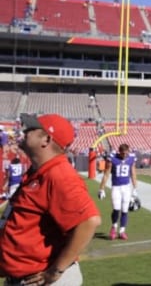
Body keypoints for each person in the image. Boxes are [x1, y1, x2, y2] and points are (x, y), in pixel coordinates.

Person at [0, 113, 101, 285]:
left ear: (46, 140)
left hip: (41, 280)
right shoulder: (39, 172)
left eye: (31, 129)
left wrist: (55, 271)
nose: (25, 131)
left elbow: (89, 221)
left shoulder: (59, 174)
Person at [98, 143, 138, 240]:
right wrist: (101, 189)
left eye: (126, 153)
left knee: (125, 210)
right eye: (122, 153)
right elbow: (106, 174)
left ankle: (122, 231)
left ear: (128, 151)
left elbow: (133, 173)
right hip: (116, 187)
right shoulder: (113, 159)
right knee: (116, 209)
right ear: (119, 152)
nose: (124, 155)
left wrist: (135, 188)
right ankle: (114, 227)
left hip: (126, 187)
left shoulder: (131, 158)